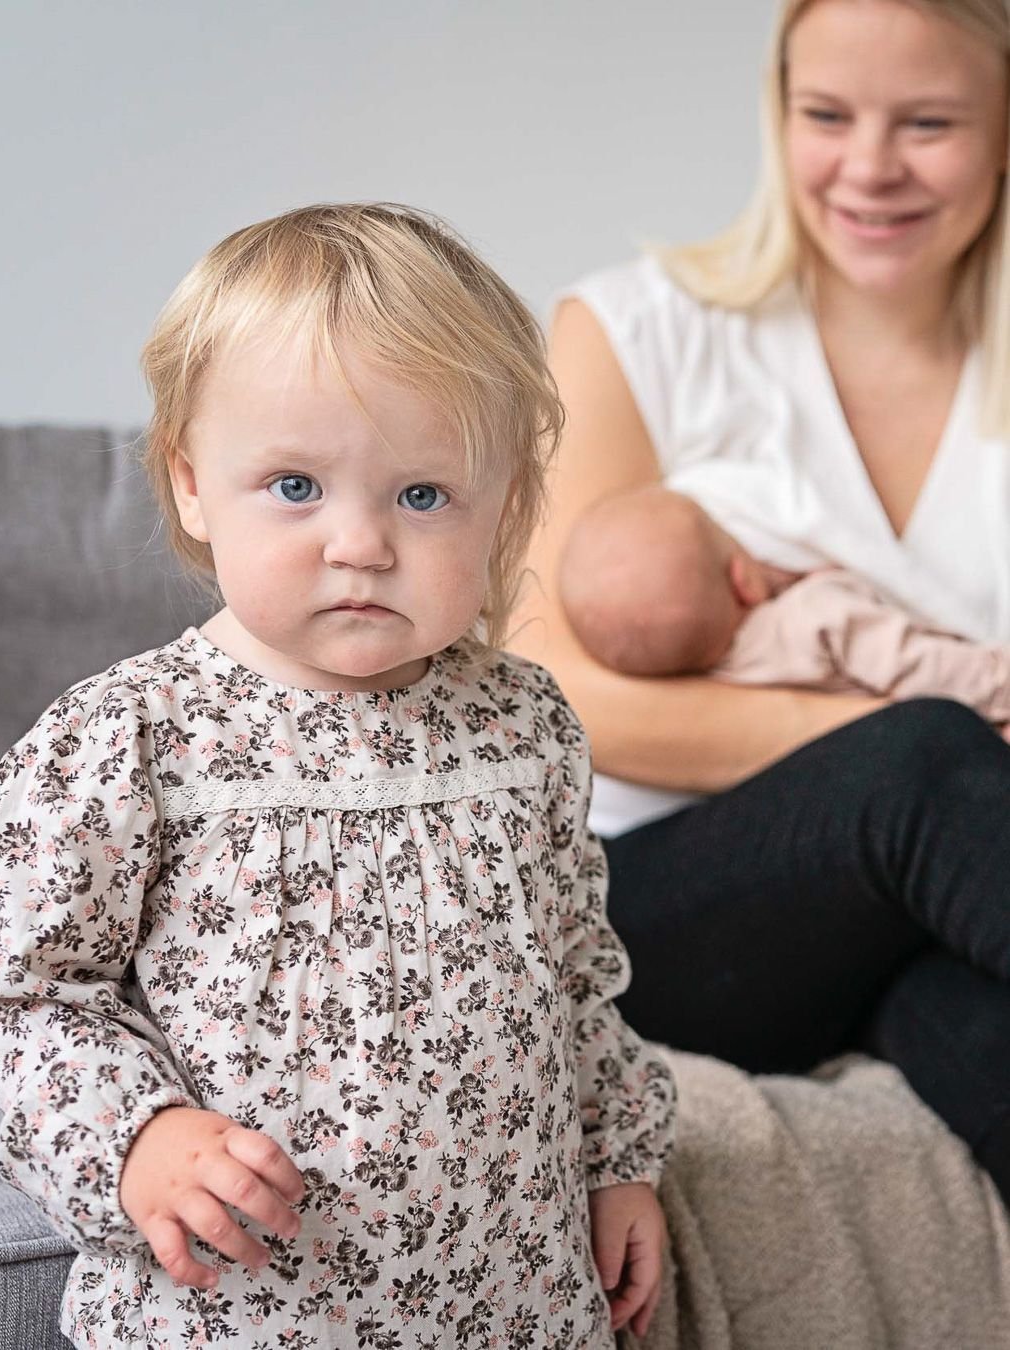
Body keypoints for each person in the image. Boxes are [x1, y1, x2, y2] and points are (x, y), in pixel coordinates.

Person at [0, 204, 676, 1349]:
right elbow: (27, 1002)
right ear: (191, 484)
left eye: (422, 495)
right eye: (295, 486)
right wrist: (137, 1137)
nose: (361, 543)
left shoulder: (522, 724)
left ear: (501, 505)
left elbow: (576, 974)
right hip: (239, 1312)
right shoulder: (127, 740)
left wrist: (616, 1162)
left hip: (515, 1304)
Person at [508, 0, 1010, 1204]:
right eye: (826, 115)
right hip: (644, 912)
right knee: (922, 759)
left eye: (929, 122)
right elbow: (555, 694)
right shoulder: (634, 332)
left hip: (913, 909)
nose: (869, 167)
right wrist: (888, 746)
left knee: (962, 1017)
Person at [561, 484, 1010, 729]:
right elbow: (915, 663)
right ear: (744, 580)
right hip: (972, 715)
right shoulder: (814, 617)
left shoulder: (727, 683)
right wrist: (997, 679)